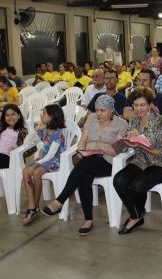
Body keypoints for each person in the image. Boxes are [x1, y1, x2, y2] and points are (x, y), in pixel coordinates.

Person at [41, 95, 127, 235]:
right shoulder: (92, 118)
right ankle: (88, 220)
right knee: (85, 177)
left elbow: (117, 150)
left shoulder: (122, 124)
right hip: (89, 158)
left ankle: (59, 201)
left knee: (85, 164)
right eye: (97, 110)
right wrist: (81, 150)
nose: (99, 114)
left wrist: (99, 148)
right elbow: (83, 140)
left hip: (108, 161)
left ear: (111, 110)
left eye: (103, 111)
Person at [113, 87, 162, 234]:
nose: (139, 109)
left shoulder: (159, 121)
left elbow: (159, 152)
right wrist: (126, 141)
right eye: (135, 105)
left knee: (137, 185)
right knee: (119, 180)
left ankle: (136, 215)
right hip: (141, 161)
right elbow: (124, 148)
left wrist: (140, 143)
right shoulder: (134, 120)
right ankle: (136, 215)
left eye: (143, 105)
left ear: (150, 104)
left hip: (160, 163)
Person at [21, 105, 67, 225]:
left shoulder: (58, 133)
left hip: (55, 160)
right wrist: (36, 129)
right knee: (25, 171)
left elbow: (51, 154)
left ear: (51, 116)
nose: (42, 115)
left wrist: (36, 165)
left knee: (36, 172)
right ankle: (32, 205)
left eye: (44, 113)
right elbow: (26, 142)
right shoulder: (44, 130)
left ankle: (35, 205)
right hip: (44, 159)